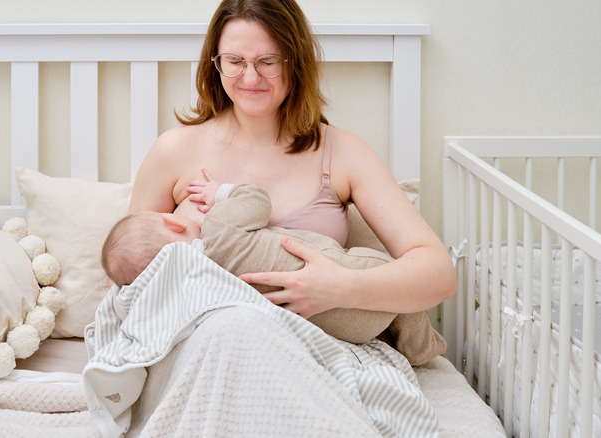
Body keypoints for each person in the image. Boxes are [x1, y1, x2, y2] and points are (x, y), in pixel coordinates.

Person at [128, 0, 456, 322]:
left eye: (268, 61)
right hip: (209, 342)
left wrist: (342, 287)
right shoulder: (174, 150)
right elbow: (130, 275)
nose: (250, 77)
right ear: (215, 62)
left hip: (317, 348)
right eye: (234, 61)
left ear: (295, 63)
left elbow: (438, 275)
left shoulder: (342, 152)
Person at [103, 172, 446, 365]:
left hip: (343, 334)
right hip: (365, 276)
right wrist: (220, 192)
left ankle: (402, 339)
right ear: (172, 222)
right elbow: (256, 201)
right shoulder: (220, 229)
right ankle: (421, 347)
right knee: (400, 290)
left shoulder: (195, 292)